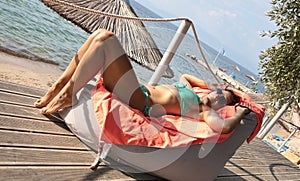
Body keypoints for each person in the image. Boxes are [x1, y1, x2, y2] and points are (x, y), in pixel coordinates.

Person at [34, 29, 250, 134]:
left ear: (222, 107)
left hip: (138, 99)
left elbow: (224, 128)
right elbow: (186, 77)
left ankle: (67, 93)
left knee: (108, 40)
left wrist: (239, 111)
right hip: (137, 90)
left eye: (224, 99)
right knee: (100, 34)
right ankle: (60, 85)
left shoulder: (203, 110)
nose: (219, 96)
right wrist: (212, 86)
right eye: (222, 92)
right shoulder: (190, 89)